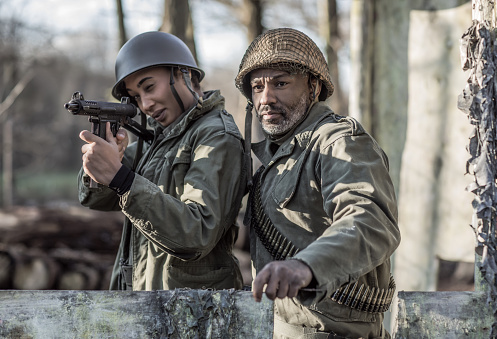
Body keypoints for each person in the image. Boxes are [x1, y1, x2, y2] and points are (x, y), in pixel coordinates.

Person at [235, 28, 401, 338]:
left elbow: (369, 221)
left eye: (281, 83)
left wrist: (306, 267)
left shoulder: (340, 142)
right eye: (257, 87)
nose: (266, 98)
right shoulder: (276, 156)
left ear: (313, 86)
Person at [78, 31, 247, 291]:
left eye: (149, 87)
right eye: (135, 97)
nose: (145, 104)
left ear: (185, 75)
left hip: (197, 312)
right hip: (144, 304)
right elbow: (94, 199)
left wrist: (122, 179)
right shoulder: (154, 140)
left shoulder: (217, 135)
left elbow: (198, 232)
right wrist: (108, 160)